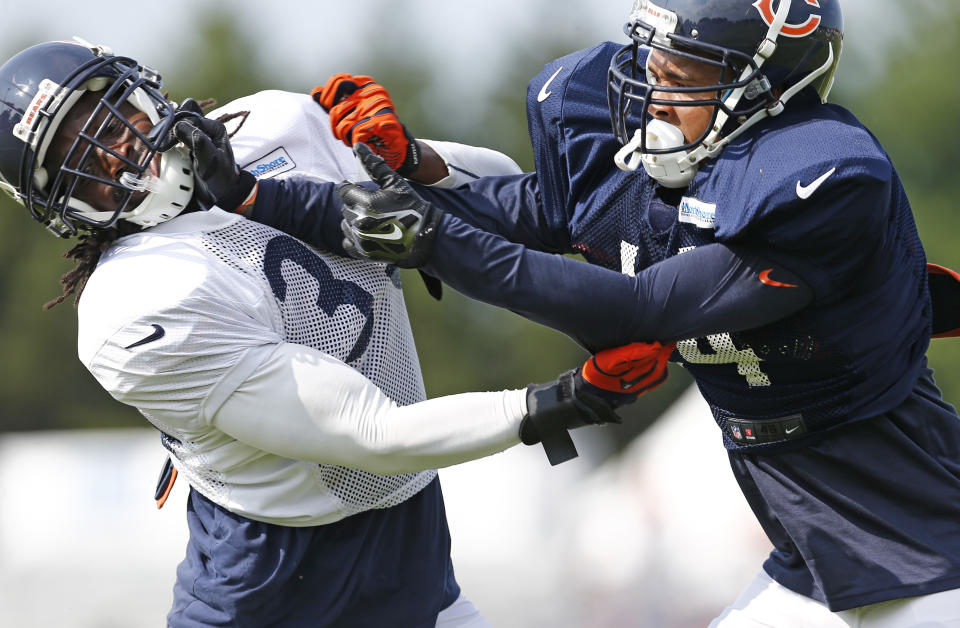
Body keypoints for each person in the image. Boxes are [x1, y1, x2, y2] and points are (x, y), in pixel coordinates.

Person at [242, 0, 960, 625]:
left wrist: (427, 240)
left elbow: (634, 307)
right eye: (654, 67)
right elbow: (541, 213)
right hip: (813, 561)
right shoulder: (671, 182)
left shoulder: (822, 190)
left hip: (928, 550)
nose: (652, 96)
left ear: (765, 92)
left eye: (682, 79)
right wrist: (407, 169)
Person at [0, 38, 639, 628]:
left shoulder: (276, 127)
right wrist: (558, 401)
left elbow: (512, 205)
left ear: (143, 90)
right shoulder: (133, 302)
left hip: (409, 551)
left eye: (112, 123)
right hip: (271, 588)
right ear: (62, 208)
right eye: (76, 161)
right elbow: (372, 434)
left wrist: (416, 160)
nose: (118, 155)